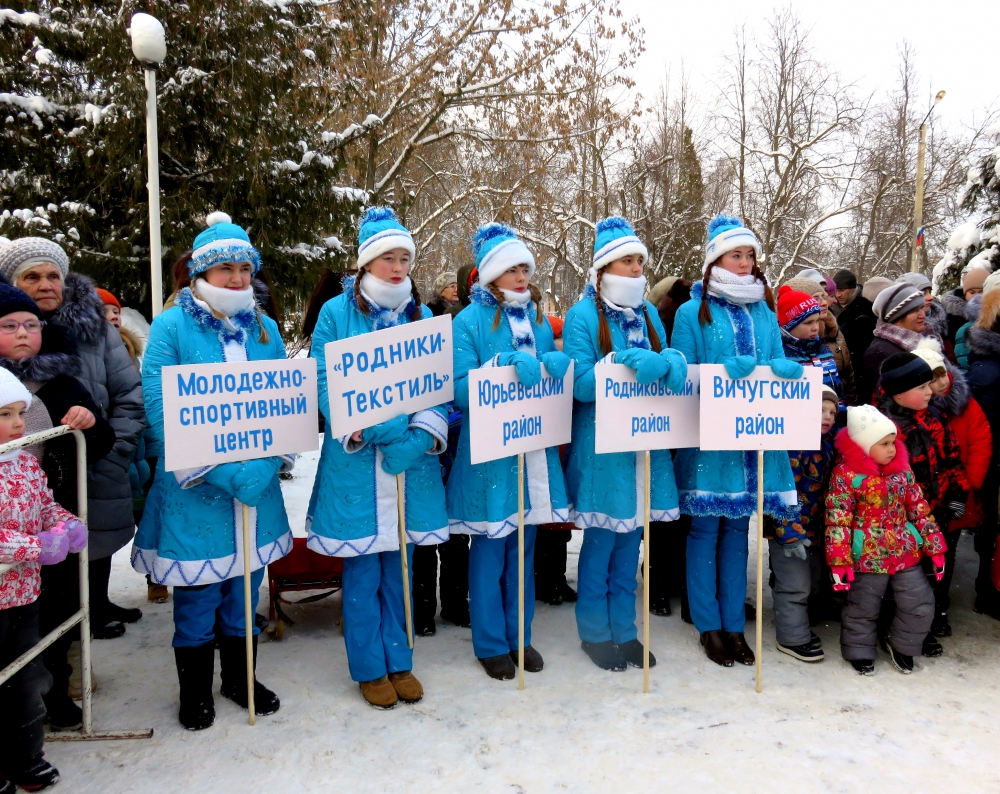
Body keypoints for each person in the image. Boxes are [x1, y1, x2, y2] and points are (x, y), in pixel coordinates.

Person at [133, 213, 291, 730]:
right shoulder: (171, 325)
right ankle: (195, 688)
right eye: (226, 269)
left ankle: (240, 678)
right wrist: (216, 468)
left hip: (256, 489)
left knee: (246, 590)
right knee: (200, 596)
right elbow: (158, 403)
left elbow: (283, 402)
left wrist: (269, 461)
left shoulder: (264, 327)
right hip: (196, 490)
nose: (239, 280)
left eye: (246, 269)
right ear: (200, 273)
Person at [307, 208, 450, 709]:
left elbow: (438, 385)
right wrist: (368, 427)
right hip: (357, 463)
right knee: (364, 571)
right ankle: (369, 667)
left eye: (404, 257)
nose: (397, 266)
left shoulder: (423, 316)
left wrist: (417, 435)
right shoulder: (336, 314)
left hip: (409, 465)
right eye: (387, 257)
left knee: (403, 568)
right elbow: (324, 380)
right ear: (366, 262)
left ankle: (401, 658)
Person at [670, 214, 802, 668]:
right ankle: (708, 626)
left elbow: (775, 359)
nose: (745, 262)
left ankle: (734, 624)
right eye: (736, 254)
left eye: (749, 254)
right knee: (705, 532)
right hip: (710, 442)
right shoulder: (693, 311)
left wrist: (782, 369)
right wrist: (720, 371)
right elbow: (682, 375)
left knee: (738, 535)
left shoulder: (763, 309)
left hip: (756, 439)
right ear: (715, 260)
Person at [0, 237, 145, 639]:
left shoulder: (95, 326)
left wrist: (113, 450)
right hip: (21, 481)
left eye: (53, 276)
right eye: (32, 276)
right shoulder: (7, 329)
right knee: (38, 573)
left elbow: (128, 394)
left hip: (95, 456)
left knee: (91, 545)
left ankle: (87, 619)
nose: (46, 284)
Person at [446, 222, 572, 681]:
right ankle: (490, 642)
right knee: (491, 548)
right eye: (512, 269)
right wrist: (501, 367)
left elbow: (544, 377)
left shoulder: (537, 318)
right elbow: (459, 389)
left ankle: (521, 635)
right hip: (490, 455)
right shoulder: (468, 321)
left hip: (531, 448)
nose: (522, 276)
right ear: (491, 274)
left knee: (525, 546)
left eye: (525, 268)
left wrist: (554, 367)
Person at [563, 217, 687, 671]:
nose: (637, 268)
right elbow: (578, 384)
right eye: (627, 260)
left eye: (639, 260)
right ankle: (596, 633)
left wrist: (668, 361)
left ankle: (626, 631)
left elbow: (673, 359)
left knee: (631, 544)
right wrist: (616, 363)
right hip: (603, 451)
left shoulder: (650, 313)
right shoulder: (581, 315)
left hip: (646, 446)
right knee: (601, 546)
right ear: (603, 268)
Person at [0, 283, 115, 729]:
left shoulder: (63, 381)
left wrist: (88, 423)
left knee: (57, 612)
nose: (24, 333)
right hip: (8, 533)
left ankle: (53, 694)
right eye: (9, 326)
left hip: (50, 515)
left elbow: (100, 441)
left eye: (31, 324)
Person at [0, 368, 87, 792]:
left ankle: (26, 756)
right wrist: (37, 548)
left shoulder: (23, 462)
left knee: (22, 678)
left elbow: (44, 506)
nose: (17, 424)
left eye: (20, 412)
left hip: (23, 592)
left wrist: (67, 525)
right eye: (4, 414)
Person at [825, 405, 946, 675]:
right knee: (862, 607)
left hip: (904, 552)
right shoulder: (846, 476)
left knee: (920, 602)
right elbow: (838, 520)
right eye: (884, 444)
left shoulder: (902, 472)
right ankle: (859, 649)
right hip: (866, 556)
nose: (892, 449)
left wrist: (934, 547)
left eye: (893, 442)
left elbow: (918, 508)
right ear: (864, 447)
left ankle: (902, 643)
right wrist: (839, 562)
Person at [874, 352, 969, 658]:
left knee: (934, 573)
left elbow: (952, 458)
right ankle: (894, 626)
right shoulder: (884, 429)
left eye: (929, 385)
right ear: (899, 393)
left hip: (936, 512)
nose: (930, 392)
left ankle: (925, 626)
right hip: (901, 520)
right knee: (902, 580)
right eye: (922, 387)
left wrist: (958, 492)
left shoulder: (935, 418)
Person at [912, 344, 992, 639]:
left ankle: (939, 607)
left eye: (942, 374)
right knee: (918, 556)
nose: (942, 383)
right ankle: (918, 610)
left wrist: (968, 486)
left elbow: (981, 442)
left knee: (945, 553)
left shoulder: (966, 403)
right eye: (933, 379)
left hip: (956, 495)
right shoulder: (917, 410)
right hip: (922, 499)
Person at [95, 287, 162, 603]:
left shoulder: (131, 354)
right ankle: (97, 601)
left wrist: (153, 450)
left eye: (114, 311)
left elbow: (143, 406)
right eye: (103, 311)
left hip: (141, 457)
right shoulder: (88, 356)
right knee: (103, 532)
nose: (111, 316)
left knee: (151, 520)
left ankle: (156, 579)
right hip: (111, 458)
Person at [764, 386, 838, 662]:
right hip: (789, 532)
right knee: (795, 585)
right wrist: (789, 534)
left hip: (816, 531)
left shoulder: (827, 446)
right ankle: (791, 638)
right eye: (820, 410)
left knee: (812, 582)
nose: (827, 417)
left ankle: (796, 625)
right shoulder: (790, 448)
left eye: (832, 411)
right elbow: (778, 494)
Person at [965, 280, 1000, 620]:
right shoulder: (988, 369)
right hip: (995, 464)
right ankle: (987, 592)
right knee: (991, 529)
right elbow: (985, 429)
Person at [860, 282, 939, 403]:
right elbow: (880, 402)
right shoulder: (880, 352)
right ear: (897, 316)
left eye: (921, 308)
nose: (922, 315)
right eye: (914, 311)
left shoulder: (924, 338)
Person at [784, 277, 857, 404]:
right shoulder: (780, 350)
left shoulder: (834, 331)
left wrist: (844, 411)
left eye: (824, 296)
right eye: (816, 298)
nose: (824, 302)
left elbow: (846, 377)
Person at [775, 285, 843, 400]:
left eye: (817, 321)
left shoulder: (824, 351)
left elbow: (838, 393)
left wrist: (839, 413)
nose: (815, 328)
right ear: (789, 326)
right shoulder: (780, 355)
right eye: (808, 323)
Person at [941, 266, 991, 344]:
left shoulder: (996, 316)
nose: (976, 296)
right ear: (965, 294)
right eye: (972, 292)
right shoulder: (952, 318)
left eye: (981, 292)